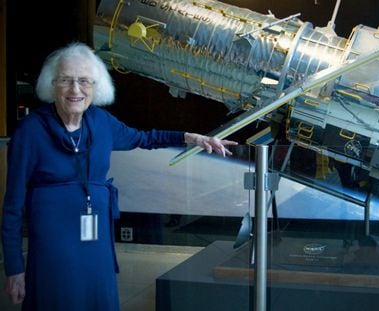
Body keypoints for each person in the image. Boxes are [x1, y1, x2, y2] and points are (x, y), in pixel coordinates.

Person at [1, 42, 238, 310]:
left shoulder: (102, 122)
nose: (75, 90)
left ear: (96, 86)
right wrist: (14, 268)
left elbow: (144, 138)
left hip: (95, 241)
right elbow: (12, 206)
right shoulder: (30, 131)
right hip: (53, 249)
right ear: (51, 84)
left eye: (84, 81)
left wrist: (190, 137)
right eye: (66, 80)